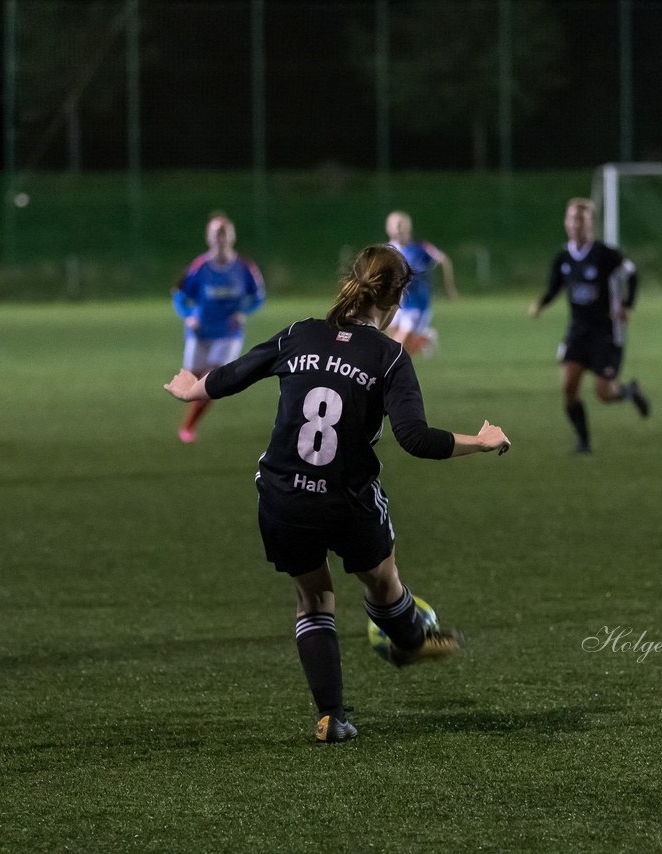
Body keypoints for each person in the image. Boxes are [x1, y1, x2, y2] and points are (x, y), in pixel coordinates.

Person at [163, 244, 510, 743]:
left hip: (283, 495)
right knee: (383, 581)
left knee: (313, 599)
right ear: (396, 301)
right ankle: (411, 640)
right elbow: (415, 439)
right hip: (346, 498)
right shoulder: (389, 358)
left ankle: (331, 717)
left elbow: (239, 372)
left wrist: (192, 389)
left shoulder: (301, 332)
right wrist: (482, 440)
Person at [528, 197, 650, 454]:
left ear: (590, 224)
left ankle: (629, 392)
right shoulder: (563, 257)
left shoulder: (605, 254)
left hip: (606, 332)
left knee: (604, 394)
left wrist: (627, 305)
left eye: (581, 220)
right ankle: (584, 443)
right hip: (577, 332)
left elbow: (633, 274)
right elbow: (554, 287)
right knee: (569, 388)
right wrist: (541, 303)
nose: (575, 224)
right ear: (565, 222)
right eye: (572, 219)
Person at [170, 213, 265, 443]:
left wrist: (243, 312)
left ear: (232, 236)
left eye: (224, 233)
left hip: (228, 335)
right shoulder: (199, 267)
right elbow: (179, 295)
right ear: (208, 238)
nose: (220, 238)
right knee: (191, 381)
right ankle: (188, 425)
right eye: (216, 233)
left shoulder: (245, 268)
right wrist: (189, 315)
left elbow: (258, 296)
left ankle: (188, 428)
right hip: (200, 334)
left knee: (211, 381)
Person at [384, 210, 457, 356]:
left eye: (401, 224)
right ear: (388, 227)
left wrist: (449, 287)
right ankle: (424, 338)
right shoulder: (386, 250)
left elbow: (443, 260)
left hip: (417, 304)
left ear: (408, 227)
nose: (398, 228)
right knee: (396, 346)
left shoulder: (421, 248)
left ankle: (389, 376)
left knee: (397, 350)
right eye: (394, 224)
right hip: (395, 304)